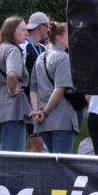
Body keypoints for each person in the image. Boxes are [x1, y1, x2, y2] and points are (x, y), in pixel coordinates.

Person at [30, 21, 77, 154]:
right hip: (61, 119)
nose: (72, 37)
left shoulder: (40, 58)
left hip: (43, 123)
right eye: (69, 34)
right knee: (62, 163)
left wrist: (36, 111)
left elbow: (33, 88)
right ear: (58, 37)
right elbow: (60, 89)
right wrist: (44, 112)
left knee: (53, 161)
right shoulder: (63, 58)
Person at [0, 16, 30, 152]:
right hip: (12, 111)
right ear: (12, 31)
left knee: (1, 155)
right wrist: (12, 91)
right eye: (23, 30)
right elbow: (12, 74)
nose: (27, 33)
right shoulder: (12, 50)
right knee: (13, 159)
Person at [22, 12, 49, 148]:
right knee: (37, 143)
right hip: (27, 102)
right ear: (40, 27)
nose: (49, 29)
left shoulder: (44, 49)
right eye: (47, 26)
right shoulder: (24, 47)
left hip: (42, 101)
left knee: (36, 144)